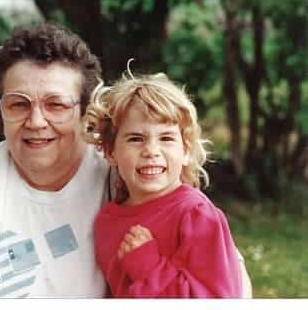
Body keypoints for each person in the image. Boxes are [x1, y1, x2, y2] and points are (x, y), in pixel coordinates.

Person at [0, 23, 252, 298]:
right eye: (18, 104)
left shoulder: (121, 172)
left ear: (86, 111)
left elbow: (227, 280)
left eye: (56, 104)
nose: (37, 121)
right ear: (0, 110)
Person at [82, 68, 242, 297]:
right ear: (110, 152)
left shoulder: (196, 215)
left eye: (166, 138)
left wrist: (148, 269)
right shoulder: (105, 222)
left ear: (186, 150)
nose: (151, 151)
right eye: (136, 139)